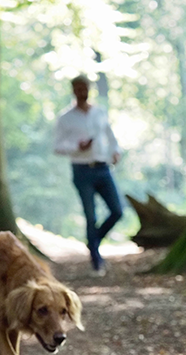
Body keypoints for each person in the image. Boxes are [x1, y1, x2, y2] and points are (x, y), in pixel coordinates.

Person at [53, 75, 123, 275]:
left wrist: (116, 151)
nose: (81, 92)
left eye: (84, 88)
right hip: (81, 169)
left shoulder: (99, 112)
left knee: (117, 210)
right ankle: (96, 261)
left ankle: (94, 240)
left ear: (89, 89)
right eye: (77, 89)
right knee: (90, 215)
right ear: (73, 91)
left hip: (103, 167)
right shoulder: (65, 117)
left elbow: (110, 136)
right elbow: (57, 146)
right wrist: (77, 146)